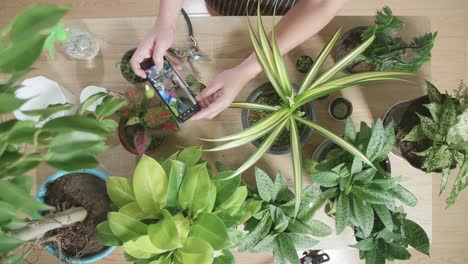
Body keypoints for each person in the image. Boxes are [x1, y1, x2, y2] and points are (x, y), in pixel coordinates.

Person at [130, 0, 348, 120]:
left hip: (282, 11)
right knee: (221, 12)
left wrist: (248, 69)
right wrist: (166, 22)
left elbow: (322, 3)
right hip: (225, 3)